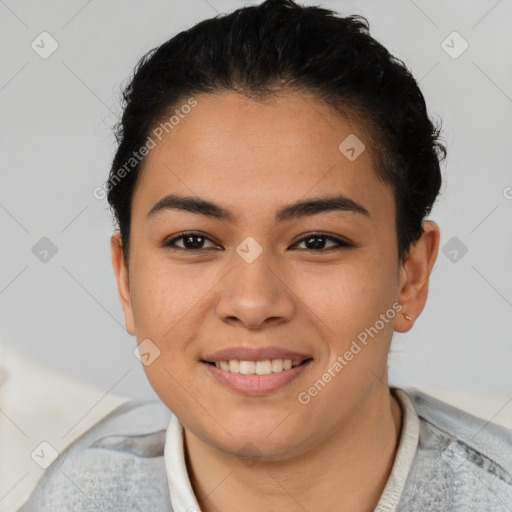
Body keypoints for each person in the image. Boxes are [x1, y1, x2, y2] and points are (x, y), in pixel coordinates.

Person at [20, 1, 512, 510]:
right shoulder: (78, 493)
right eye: (193, 241)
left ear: (411, 276)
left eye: (317, 241)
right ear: (126, 278)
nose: (253, 303)